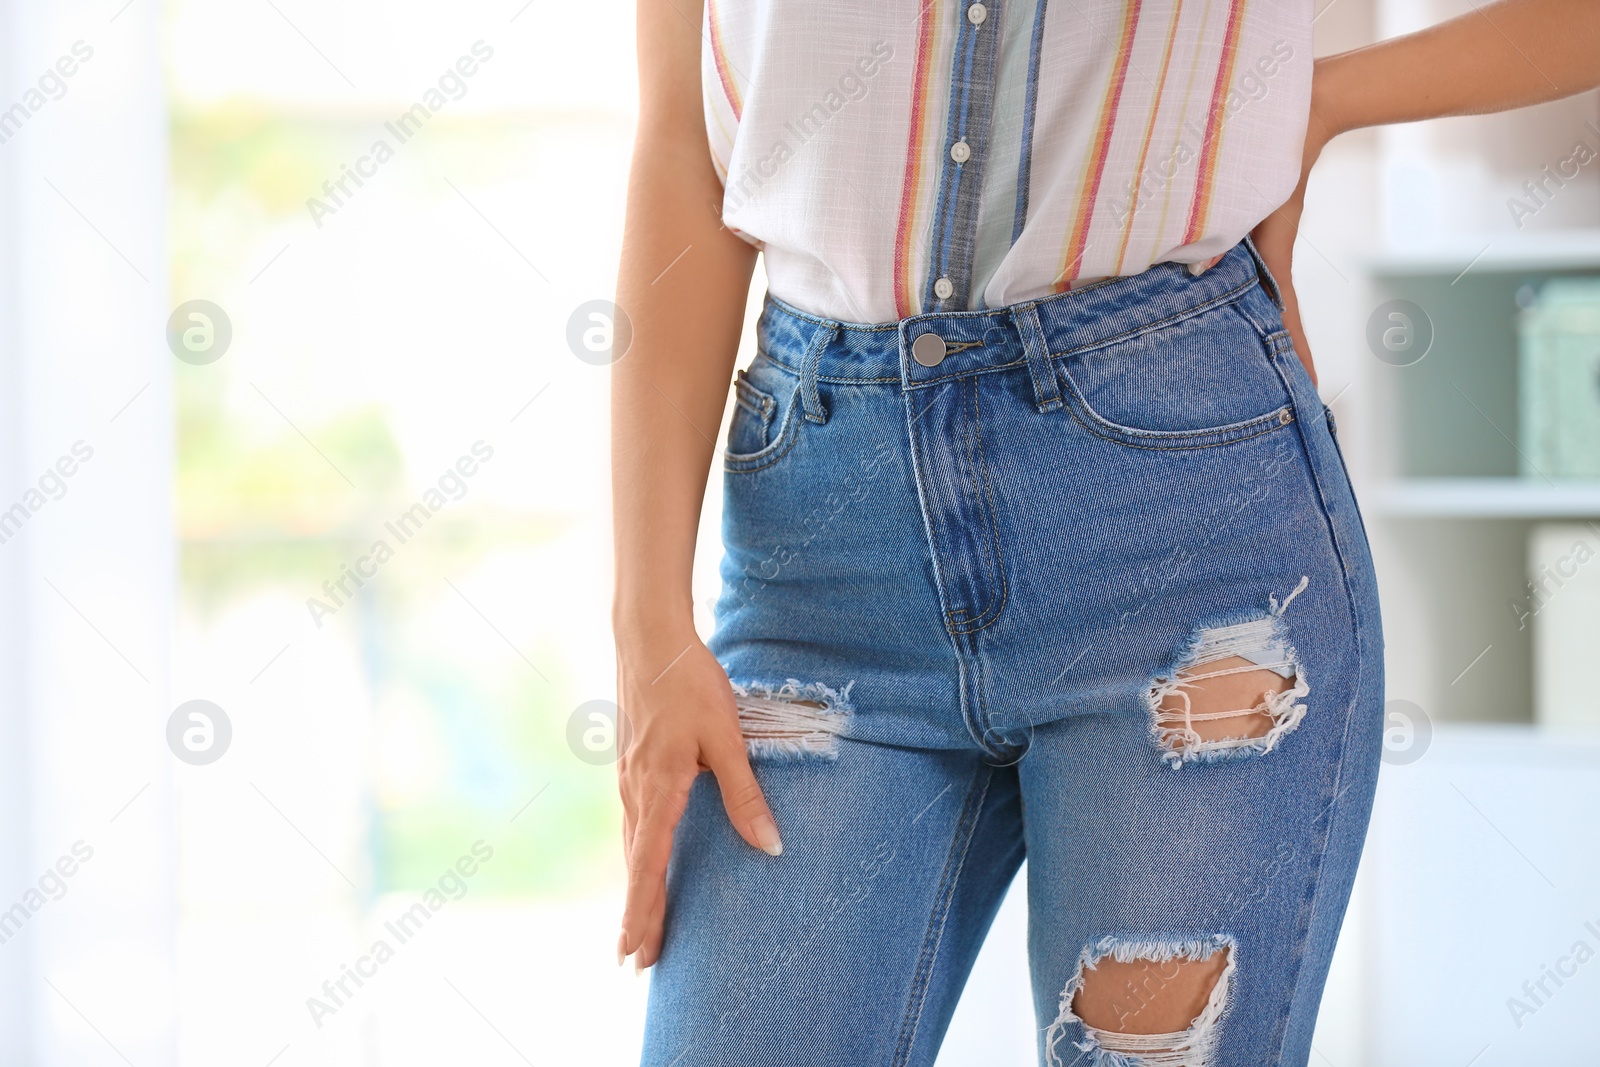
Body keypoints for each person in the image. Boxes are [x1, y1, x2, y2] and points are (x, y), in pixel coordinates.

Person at [610, 3, 1600, 1063]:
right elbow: (683, 143)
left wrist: (1325, 97)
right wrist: (646, 622)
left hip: (1182, 535)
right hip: (821, 553)